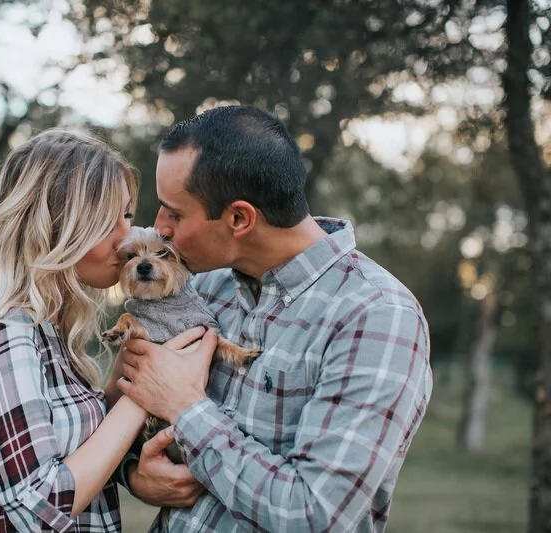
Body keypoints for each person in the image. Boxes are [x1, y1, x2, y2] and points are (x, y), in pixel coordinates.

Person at [114, 105, 433, 532]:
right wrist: (137, 474)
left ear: (239, 218)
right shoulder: (204, 291)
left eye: (174, 213)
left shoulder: (376, 317)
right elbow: (124, 402)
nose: (160, 229)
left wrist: (186, 407)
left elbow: (312, 514)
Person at [0, 129, 216, 533]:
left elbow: (72, 452)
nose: (128, 235)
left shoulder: (48, 332)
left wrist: (133, 456)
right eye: (112, 219)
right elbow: (41, 506)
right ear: (59, 227)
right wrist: (148, 390)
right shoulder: (4, 337)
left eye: (127, 215)